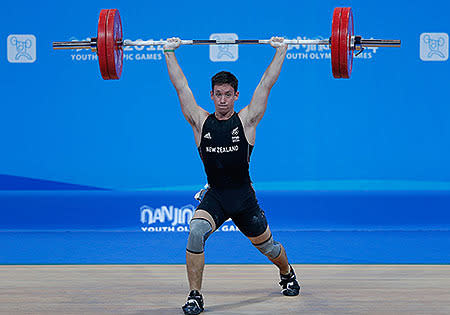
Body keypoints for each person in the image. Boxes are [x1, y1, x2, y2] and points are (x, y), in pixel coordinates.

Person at [163, 36, 300, 315]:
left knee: (269, 248)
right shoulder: (200, 122)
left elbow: (266, 84)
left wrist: (282, 51)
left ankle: (287, 272)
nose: (222, 99)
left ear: (236, 96)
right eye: (218, 94)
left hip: (243, 199)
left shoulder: (247, 121)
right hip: (215, 196)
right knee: (196, 231)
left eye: (228, 94)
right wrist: (168, 51)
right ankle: (195, 296)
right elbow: (180, 87)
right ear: (211, 95)